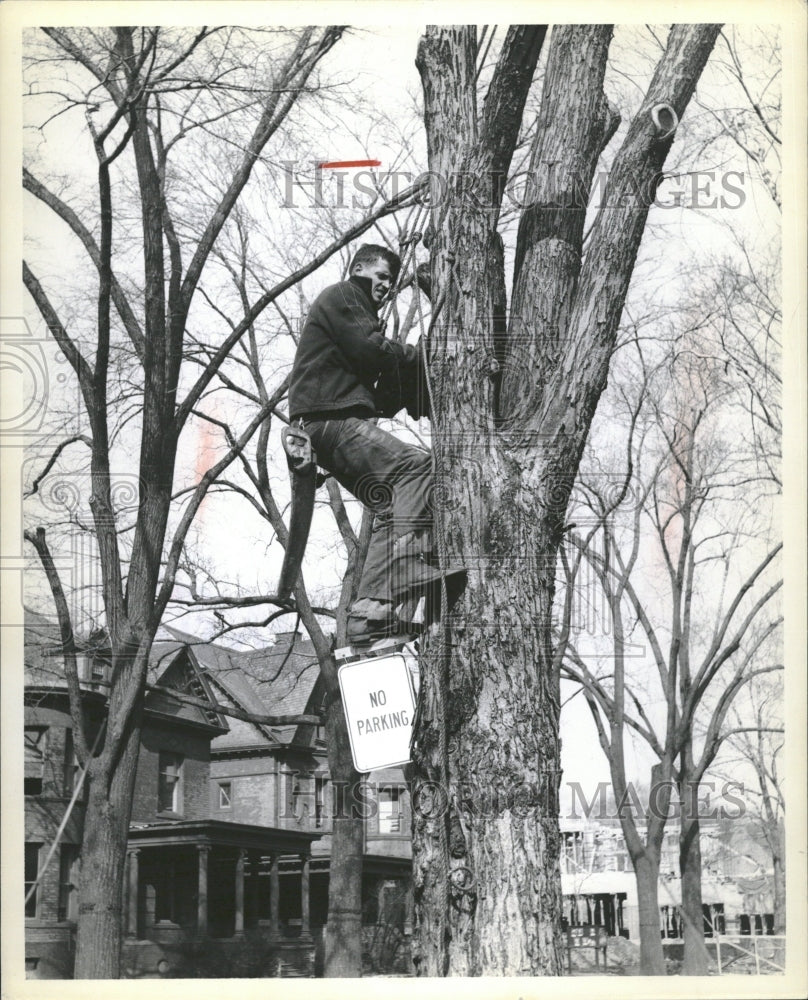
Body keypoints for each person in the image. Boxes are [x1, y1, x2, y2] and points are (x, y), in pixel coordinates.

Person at [288, 243, 459, 644]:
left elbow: (378, 390)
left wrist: (412, 384)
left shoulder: (353, 320)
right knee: (418, 468)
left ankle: (370, 613)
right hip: (328, 422)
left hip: (328, 424)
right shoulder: (345, 295)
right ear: (358, 268)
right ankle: (403, 570)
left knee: (387, 504)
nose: (385, 286)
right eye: (381, 276)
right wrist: (421, 355)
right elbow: (373, 348)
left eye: (390, 281)